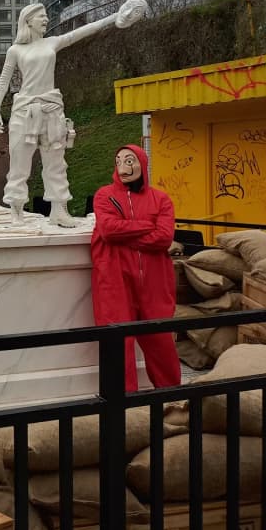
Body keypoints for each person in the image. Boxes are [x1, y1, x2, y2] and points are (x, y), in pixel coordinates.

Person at [0, 0, 148, 227]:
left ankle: (59, 210)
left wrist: (115, 17)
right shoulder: (15, 50)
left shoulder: (52, 43)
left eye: (46, 15)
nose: (46, 19)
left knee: (56, 163)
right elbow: (4, 80)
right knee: (20, 162)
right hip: (25, 111)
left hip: (52, 109)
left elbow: (83, 31)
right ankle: (16, 210)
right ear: (28, 21)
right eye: (41, 15)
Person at [91, 144, 181, 392]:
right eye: (119, 161)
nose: (124, 167)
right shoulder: (104, 195)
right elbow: (108, 230)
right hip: (114, 279)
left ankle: (172, 396)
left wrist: (126, 231)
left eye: (130, 161)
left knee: (161, 338)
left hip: (154, 280)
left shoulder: (161, 199)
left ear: (142, 163)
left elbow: (164, 237)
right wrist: (146, 224)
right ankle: (124, 403)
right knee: (118, 342)